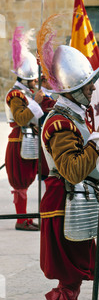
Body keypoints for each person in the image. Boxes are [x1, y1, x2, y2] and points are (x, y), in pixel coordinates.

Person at [39, 43, 99, 300]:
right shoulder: (59, 122)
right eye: (88, 85)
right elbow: (72, 169)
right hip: (63, 206)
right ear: (74, 89)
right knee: (68, 282)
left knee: (74, 282)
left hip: (80, 203)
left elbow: (90, 171)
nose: (94, 88)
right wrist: (98, 138)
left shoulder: (74, 116)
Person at [5, 27, 55, 231]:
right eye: (34, 79)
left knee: (39, 177)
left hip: (33, 140)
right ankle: (21, 220)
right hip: (20, 140)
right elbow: (21, 118)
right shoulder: (15, 95)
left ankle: (32, 217)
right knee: (21, 182)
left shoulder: (29, 92)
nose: (36, 82)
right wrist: (34, 102)